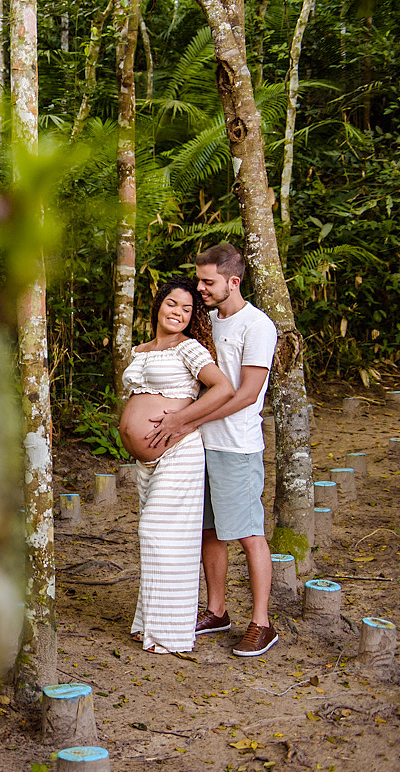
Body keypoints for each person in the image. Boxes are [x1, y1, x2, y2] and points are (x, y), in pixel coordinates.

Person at [146, 243, 280, 657]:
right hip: (198, 447)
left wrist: (187, 420)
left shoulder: (257, 326)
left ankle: (262, 623)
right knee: (207, 531)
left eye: (208, 282)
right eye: (199, 280)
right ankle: (217, 610)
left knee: (247, 532)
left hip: (235, 447)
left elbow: (247, 394)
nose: (200, 288)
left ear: (232, 282)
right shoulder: (206, 321)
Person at [119, 277, 234, 654]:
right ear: (158, 306)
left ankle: (169, 634)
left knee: (158, 533)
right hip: (147, 462)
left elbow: (223, 389)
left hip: (178, 452)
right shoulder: (142, 350)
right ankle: (149, 624)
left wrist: (179, 421)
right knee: (155, 537)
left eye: (187, 309)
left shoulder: (190, 349)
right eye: (172, 304)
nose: (178, 313)